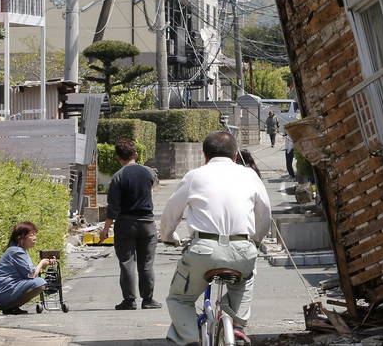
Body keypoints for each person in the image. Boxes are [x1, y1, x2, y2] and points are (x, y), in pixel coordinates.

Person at [160, 131, 272, 346]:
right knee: (244, 281)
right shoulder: (250, 175)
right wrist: (255, 242)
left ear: (205, 155)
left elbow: (171, 212)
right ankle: (237, 328)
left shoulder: (195, 176)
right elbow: (264, 215)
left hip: (203, 250)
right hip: (242, 249)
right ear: (236, 155)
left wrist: (168, 236)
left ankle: (189, 338)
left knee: (180, 299)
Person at [97, 138, 161, 310]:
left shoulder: (118, 176)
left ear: (118, 157)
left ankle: (129, 300)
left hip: (125, 224)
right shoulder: (148, 172)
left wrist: (105, 230)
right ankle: (148, 300)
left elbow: (113, 208)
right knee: (146, 263)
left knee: (127, 262)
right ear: (136, 154)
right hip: (147, 223)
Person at [0, 222, 51, 314]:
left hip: (0, 292)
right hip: (1, 292)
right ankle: (10, 307)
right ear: (21, 238)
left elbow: (28, 273)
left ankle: (11, 307)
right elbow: (31, 274)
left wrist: (43, 263)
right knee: (39, 283)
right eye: (31, 235)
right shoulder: (17, 252)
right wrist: (41, 264)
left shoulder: (17, 250)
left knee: (37, 281)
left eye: (34, 234)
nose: (34, 237)